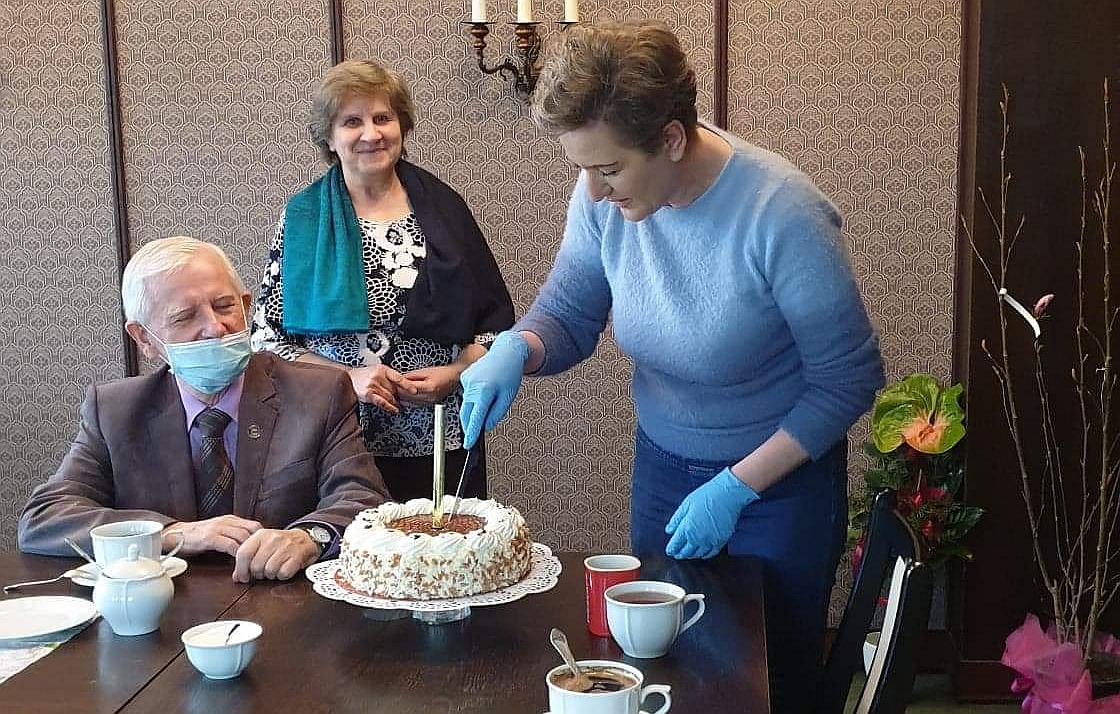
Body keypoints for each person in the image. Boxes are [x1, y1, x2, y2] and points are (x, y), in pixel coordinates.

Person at [457, 20, 884, 713]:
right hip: (664, 471)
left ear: (673, 140)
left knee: (765, 685)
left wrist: (737, 487)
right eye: (583, 171)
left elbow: (849, 379)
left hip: (777, 489)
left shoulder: (783, 215)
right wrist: (518, 347)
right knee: (667, 672)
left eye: (609, 170)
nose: (595, 192)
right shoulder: (602, 195)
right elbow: (569, 312)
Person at [19, 236, 391, 583]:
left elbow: (365, 500)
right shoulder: (116, 411)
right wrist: (171, 533)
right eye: (185, 317)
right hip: (165, 612)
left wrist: (310, 536)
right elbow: (44, 518)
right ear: (144, 338)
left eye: (225, 306)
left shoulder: (318, 393)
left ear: (246, 306)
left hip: (283, 603)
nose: (215, 328)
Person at [252, 59, 513, 502]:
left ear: (402, 126)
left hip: (439, 435)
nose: (371, 134)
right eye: (352, 121)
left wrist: (455, 374)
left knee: (441, 544)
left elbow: (492, 325)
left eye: (382, 118)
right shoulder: (302, 218)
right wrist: (348, 378)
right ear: (329, 137)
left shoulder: (446, 209)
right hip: (335, 439)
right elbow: (267, 340)